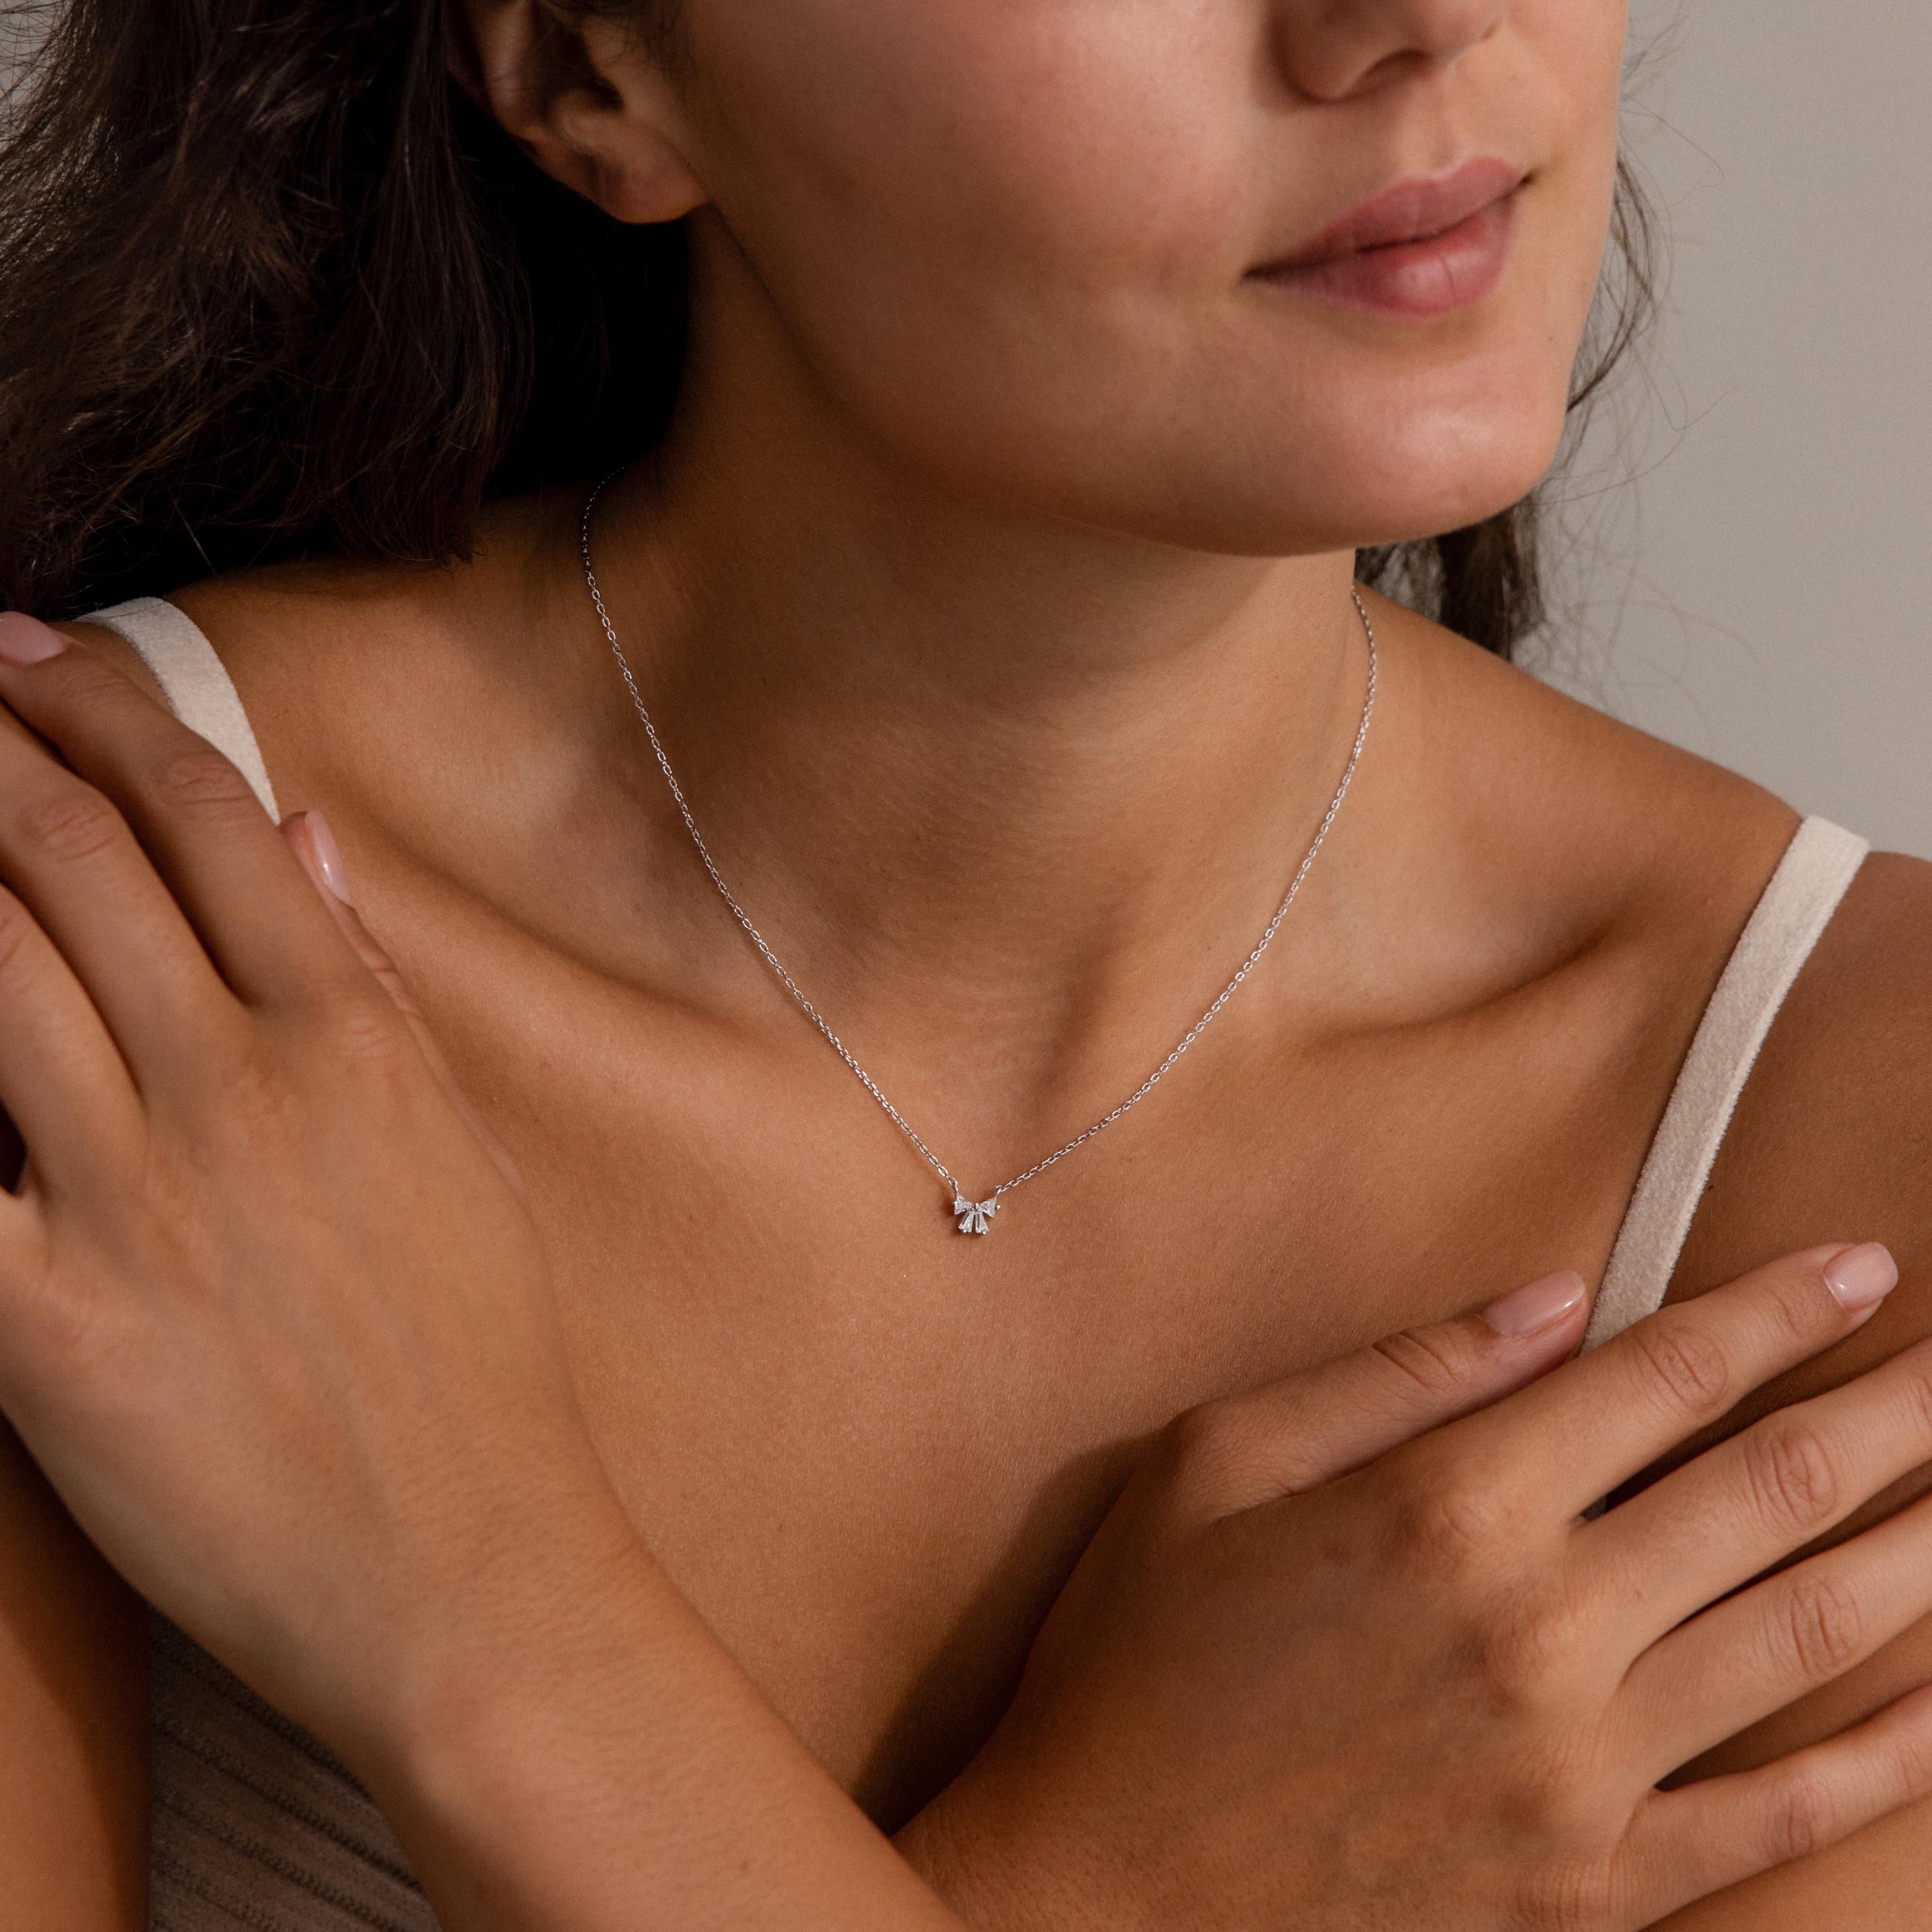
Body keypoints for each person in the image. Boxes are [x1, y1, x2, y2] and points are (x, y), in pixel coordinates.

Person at [3, 0, 1932, 1926]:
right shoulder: (80, 955)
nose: (1417, 22)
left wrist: (477, 1610)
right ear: (594, 70)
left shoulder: (1867, 1129)